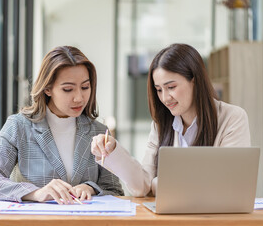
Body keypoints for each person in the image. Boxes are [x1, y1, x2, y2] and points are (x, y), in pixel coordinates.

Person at [91, 43, 250, 197]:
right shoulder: (160, 125)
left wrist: (154, 185)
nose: (165, 98)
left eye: (171, 87)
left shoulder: (232, 118)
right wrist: (113, 150)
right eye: (159, 90)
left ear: (194, 80)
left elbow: (227, 184)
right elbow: (141, 187)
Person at [0, 46, 124, 204]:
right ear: (47, 89)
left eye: (85, 87)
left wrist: (91, 188)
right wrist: (35, 193)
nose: (79, 98)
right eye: (68, 89)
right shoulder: (19, 126)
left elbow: (115, 191)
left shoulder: (99, 132)